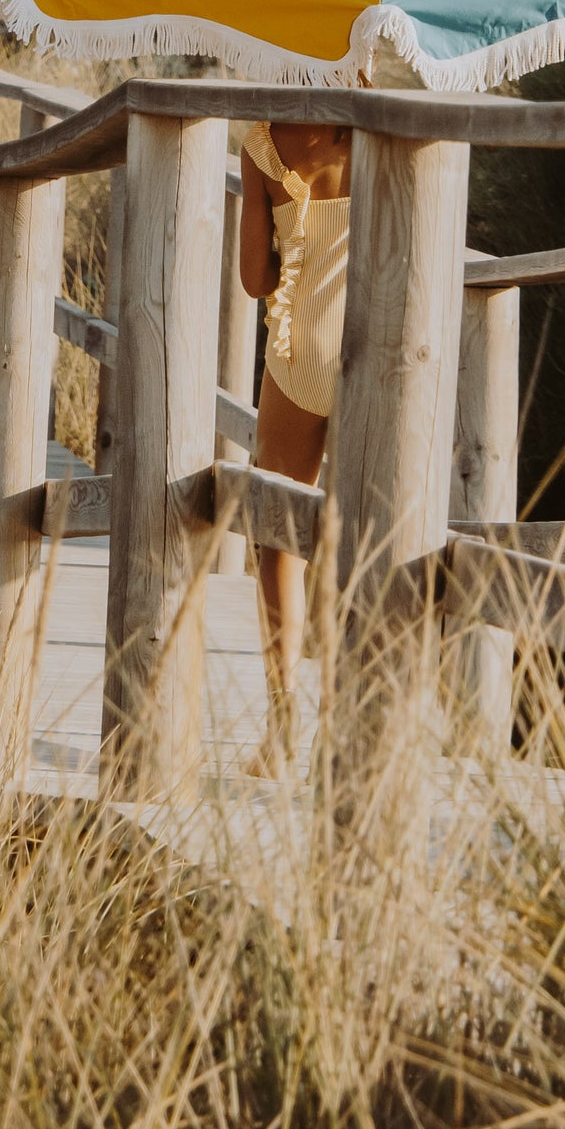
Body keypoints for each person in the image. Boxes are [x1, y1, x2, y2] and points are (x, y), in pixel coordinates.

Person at [236, 119, 352, 769]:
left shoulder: (263, 144)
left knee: (278, 531)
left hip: (299, 351)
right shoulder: (379, 126)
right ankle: (351, 722)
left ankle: (283, 728)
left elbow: (256, 278)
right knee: (370, 535)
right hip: (377, 350)